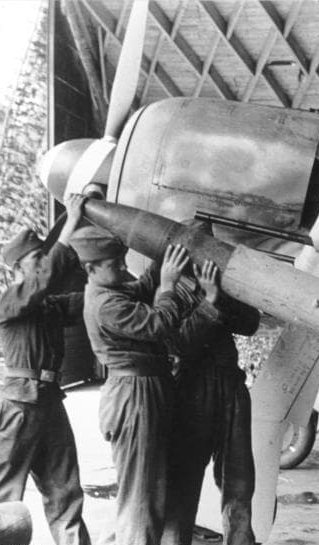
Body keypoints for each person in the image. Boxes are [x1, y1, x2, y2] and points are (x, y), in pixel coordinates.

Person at [70, 224, 219, 545]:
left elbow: (143, 285)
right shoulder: (106, 304)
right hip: (135, 398)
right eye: (115, 264)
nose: (124, 268)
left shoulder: (110, 290)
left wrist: (172, 242)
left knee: (155, 490)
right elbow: (159, 324)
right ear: (91, 268)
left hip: (145, 392)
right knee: (142, 498)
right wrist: (169, 284)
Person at [0, 193, 90, 545]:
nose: (43, 262)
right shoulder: (9, 301)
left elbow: (97, 299)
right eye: (36, 258)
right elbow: (45, 278)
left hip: (47, 405)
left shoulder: (50, 307)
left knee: (66, 495)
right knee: (1, 503)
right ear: (18, 269)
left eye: (44, 255)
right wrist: (70, 223)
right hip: (18, 407)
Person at [161, 251, 260, 545]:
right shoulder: (167, 289)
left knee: (239, 482)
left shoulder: (214, 284)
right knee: (183, 482)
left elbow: (251, 322)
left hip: (231, 385)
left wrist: (216, 293)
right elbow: (177, 342)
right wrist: (210, 300)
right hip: (193, 390)